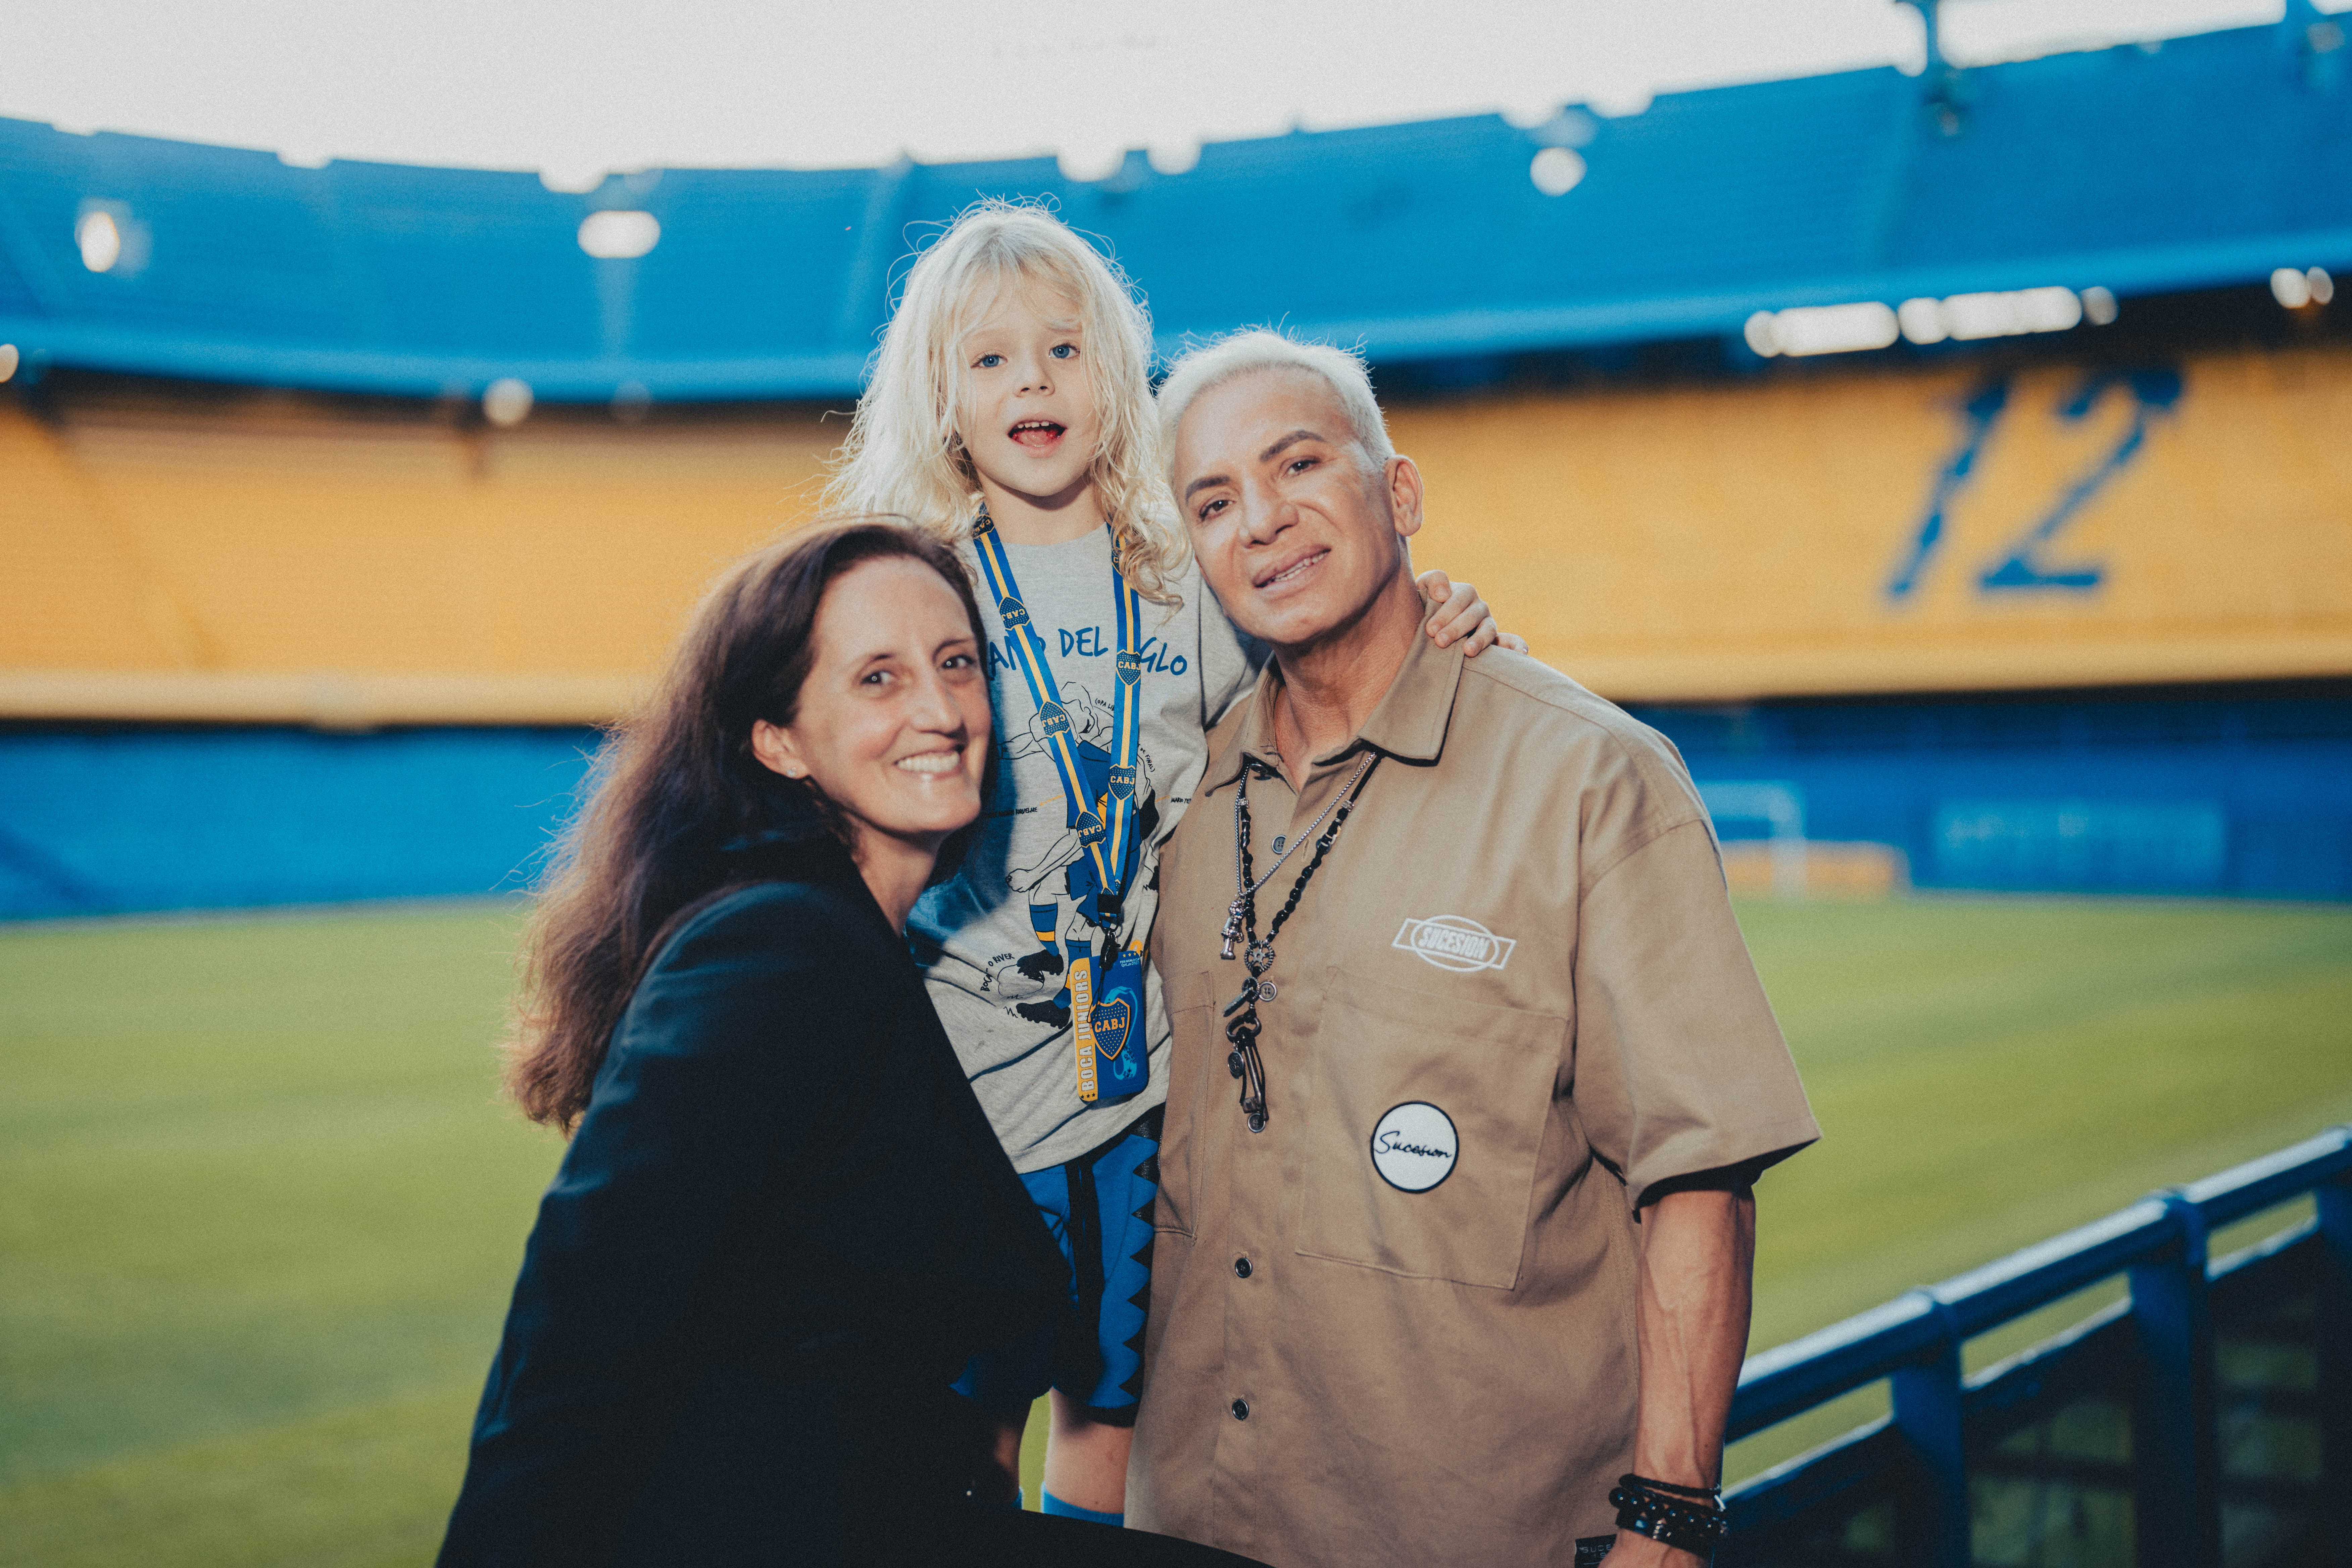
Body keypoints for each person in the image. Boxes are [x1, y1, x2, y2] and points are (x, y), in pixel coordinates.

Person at [820, 201, 1519, 1521]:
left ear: (1117, 376)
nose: (1034, 378)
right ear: (941, 402)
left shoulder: (1184, 574)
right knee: (954, 1425)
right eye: (990, 360)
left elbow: (1335, 656)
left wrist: (1437, 609)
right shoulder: (905, 584)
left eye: (1066, 348)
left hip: (1131, 1089)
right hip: (945, 1095)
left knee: (1111, 1416)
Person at [1126, 332, 1824, 1568]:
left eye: (1299, 467)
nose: (1265, 522)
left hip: (1475, 1531)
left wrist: (1668, 1522)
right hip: (1197, 1514)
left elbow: (1698, 1176)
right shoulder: (1176, 795)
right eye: (1216, 500)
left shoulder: (1590, 778)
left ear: (1398, 493)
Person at [437, 522, 1258, 1567]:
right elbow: (575, 1338)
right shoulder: (774, 946)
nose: (939, 708)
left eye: (955, 663)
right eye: (878, 678)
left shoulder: (863, 940)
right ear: (778, 741)